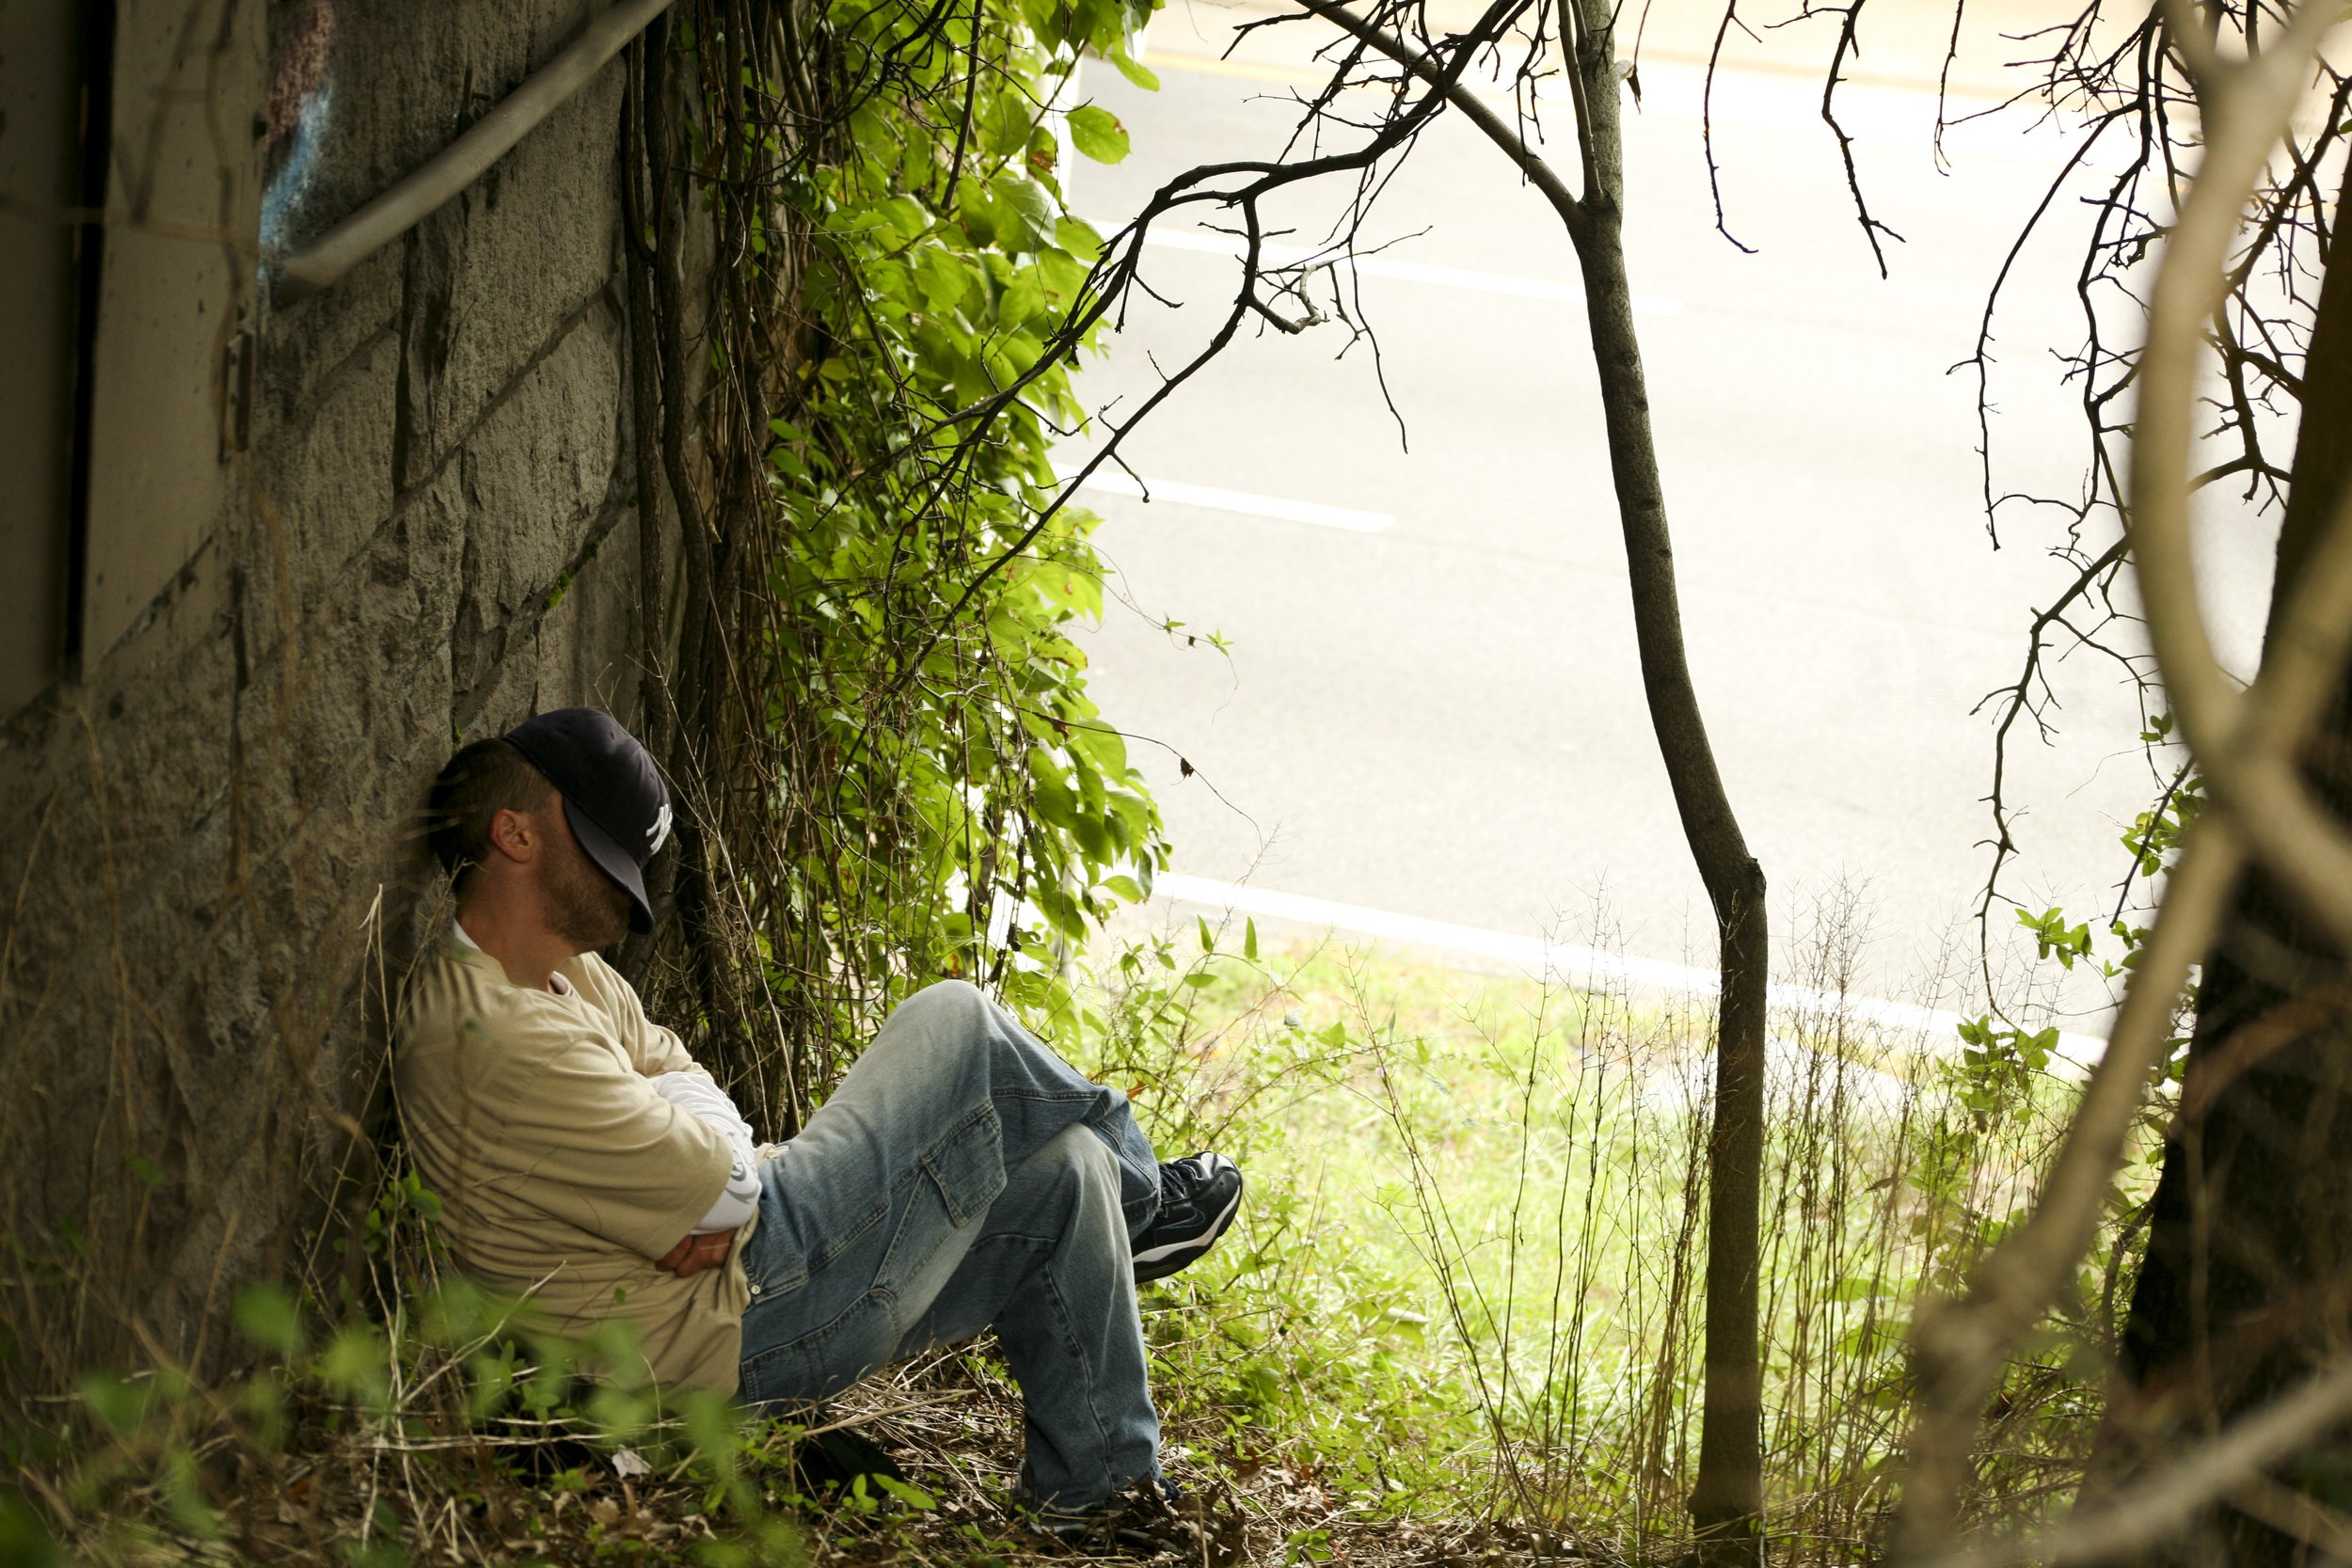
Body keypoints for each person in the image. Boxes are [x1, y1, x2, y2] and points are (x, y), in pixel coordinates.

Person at [395, 707, 1243, 1539]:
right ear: (516, 834)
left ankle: (1100, 1495)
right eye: (601, 848)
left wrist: (701, 1170)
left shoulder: (565, 976)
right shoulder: (497, 1035)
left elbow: (684, 1078)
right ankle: (1148, 1207)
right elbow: (729, 1189)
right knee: (956, 1020)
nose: (627, 895)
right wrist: (712, 1180)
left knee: (1065, 1170)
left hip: (747, 1276)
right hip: (735, 1323)